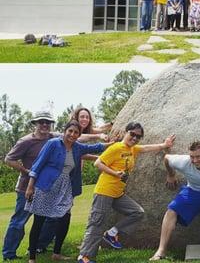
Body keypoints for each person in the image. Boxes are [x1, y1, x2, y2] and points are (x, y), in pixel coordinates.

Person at [77, 123, 176, 263]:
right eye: (132, 134)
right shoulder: (116, 147)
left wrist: (164, 145)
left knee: (137, 212)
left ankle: (112, 234)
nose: (134, 138)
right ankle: (85, 257)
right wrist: (115, 173)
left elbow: (147, 148)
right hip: (104, 191)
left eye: (138, 136)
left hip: (117, 193)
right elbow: (98, 163)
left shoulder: (132, 149)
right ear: (126, 132)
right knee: (97, 223)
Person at [25, 119, 108, 263]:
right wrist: (30, 186)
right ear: (65, 131)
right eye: (70, 131)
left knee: (64, 218)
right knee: (39, 221)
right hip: (46, 186)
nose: (72, 134)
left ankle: (56, 253)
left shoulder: (77, 147)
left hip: (65, 188)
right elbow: (38, 164)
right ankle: (32, 257)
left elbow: (96, 147)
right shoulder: (53, 144)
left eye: (76, 132)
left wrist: (115, 143)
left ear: (78, 135)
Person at [2, 111, 59, 261]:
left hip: (47, 188)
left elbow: (76, 135)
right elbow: (9, 159)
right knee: (19, 221)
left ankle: (38, 246)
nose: (45, 125)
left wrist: (99, 136)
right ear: (35, 124)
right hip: (26, 188)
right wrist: (26, 171)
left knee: (52, 218)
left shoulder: (53, 137)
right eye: (41, 122)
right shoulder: (25, 141)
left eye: (48, 122)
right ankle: (9, 254)